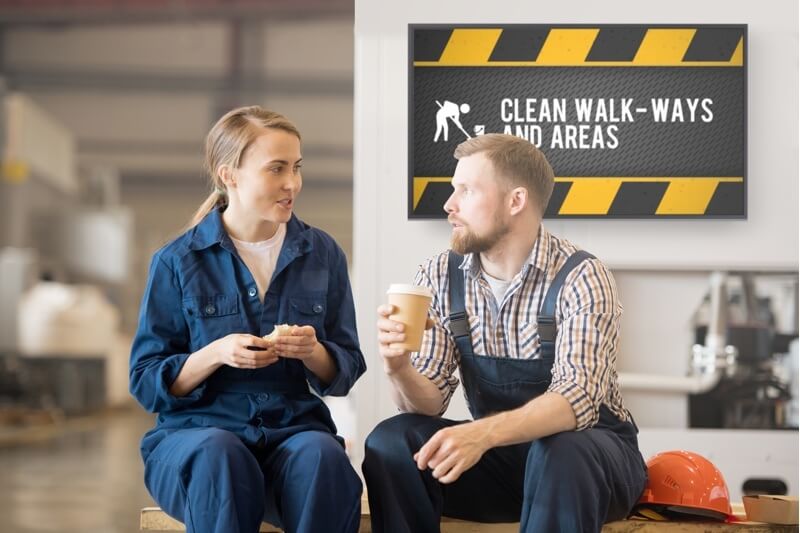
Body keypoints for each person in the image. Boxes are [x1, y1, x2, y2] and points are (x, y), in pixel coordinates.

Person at [363, 133, 647, 532]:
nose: (449, 204)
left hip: (592, 462)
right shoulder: (440, 276)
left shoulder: (581, 276)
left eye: (467, 190)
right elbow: (427, 405)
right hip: (503, 462)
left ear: (515, 201)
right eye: (452, 190)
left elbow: (576, 401)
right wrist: (398, 367)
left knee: (559, 449)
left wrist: (481, 434)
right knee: (393, 442)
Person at [130, 106, 366, 533]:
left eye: (296, 168)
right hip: (196, 438)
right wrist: (215, 354)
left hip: (291, 433)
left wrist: (314, 352)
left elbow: (346, 370)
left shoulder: (323, 254)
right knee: (222, 455)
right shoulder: (177, 261)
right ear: (229, 175)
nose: (292, 183)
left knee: (324, 458)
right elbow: (147, 383)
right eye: (276, 169)